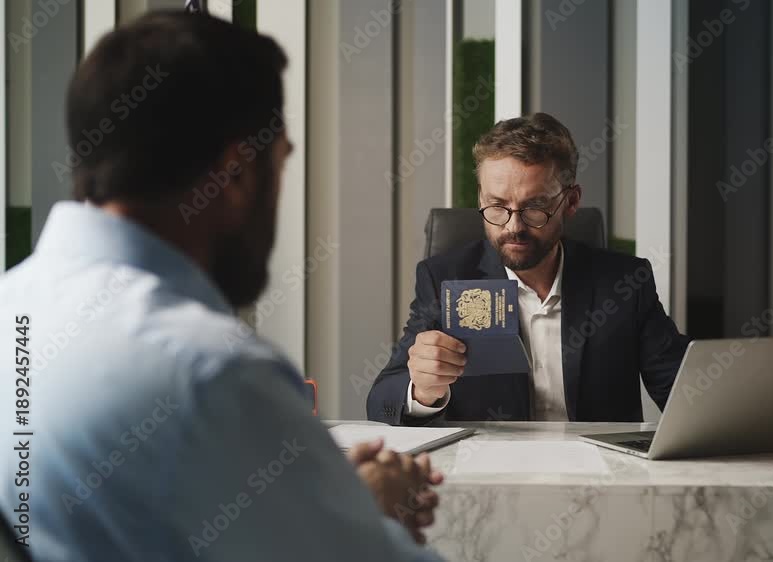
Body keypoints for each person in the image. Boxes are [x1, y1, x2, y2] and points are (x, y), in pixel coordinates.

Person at [0, 11, 444, 561]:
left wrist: (315, 502)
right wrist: (371, 517)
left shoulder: (12, 310)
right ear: (235, 175)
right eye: (280, 164)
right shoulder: (211, 372)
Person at [367, 113, 691, 425]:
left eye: (534, 207)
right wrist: (423, 391)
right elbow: (381, 402)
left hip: (599, 469)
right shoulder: (444, 279)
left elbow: (685, 394)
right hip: (491, 470)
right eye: (497, 206)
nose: (514, 226)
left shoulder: (625, 283)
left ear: (571, 202)